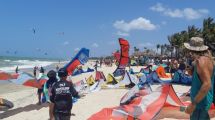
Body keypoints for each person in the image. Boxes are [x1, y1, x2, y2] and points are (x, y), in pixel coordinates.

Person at [184, 37, 214, 120]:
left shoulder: (201, 62)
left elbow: (207, 84)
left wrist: (193, 104)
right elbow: (201, 78)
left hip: (199, 104)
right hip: (204, 101)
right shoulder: (208, 60)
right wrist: (191, 71)